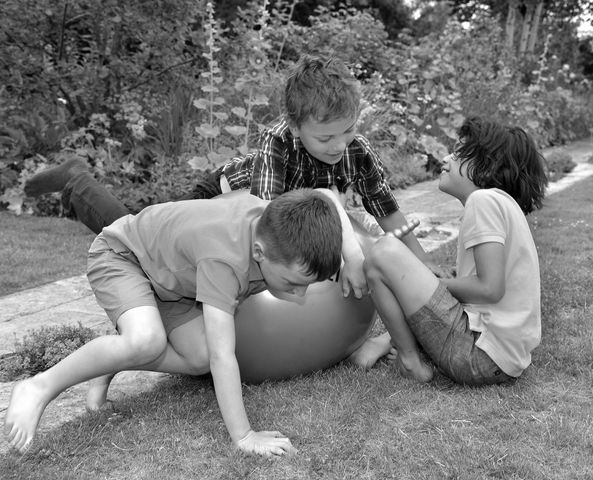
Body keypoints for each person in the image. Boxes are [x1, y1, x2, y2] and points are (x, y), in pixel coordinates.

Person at [25, 54, 439, 366]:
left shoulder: (357, 152)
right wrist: (348, 248)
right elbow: (268, 217)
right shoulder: (278, 142)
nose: (339, 144)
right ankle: (78, 180)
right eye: (326, 136)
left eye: (348, 131)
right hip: (220, 204)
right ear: (296, 128)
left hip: (282, 222)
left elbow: (388, 211)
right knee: (134, 235)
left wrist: (430, 280)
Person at [4, 188, 348, 456]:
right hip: (123, 256)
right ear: (259, 253)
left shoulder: (276, 227)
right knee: (148, 342)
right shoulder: (223, 259)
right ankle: (39, 387)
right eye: (293, 284)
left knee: (196, 358)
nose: (300, 296)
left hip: (174, 285)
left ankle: (115, 356)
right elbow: (222, 355)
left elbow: (323, 199)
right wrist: (244, 436)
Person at [363, 117, 548, 385]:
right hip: (499, 359)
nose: (447, 158)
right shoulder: (501, 204)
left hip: (479, 355)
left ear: (486, 167)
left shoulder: (483, 200)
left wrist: (433, 284)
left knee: (382, 253)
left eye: (459, 153)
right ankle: (390, 343)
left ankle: (409, 361)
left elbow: (490, 289)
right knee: (404, 266)